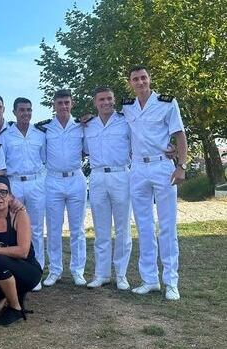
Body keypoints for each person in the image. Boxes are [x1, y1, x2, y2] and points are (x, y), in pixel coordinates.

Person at [123, 65, 187, 300]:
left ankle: (171, 282)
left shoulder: (167, 103)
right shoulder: (127, 108)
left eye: (143, 78)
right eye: (135, 79)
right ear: (130, 83)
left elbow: (179, 135)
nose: (140, 82)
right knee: (144, 226)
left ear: (149, 79)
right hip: (138, 168)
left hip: (162, 166)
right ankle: (149, 279)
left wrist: (181, 165)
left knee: (167, 226)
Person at [0, 176, 42, 326]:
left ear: (10, 195)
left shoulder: (19, 214)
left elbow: (23, 251)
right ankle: (7, 296)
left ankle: (15, 308)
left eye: (3, 192)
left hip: (26, 271)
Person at [83, 87, 132, 290]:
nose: (106, 102)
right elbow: (83, 150)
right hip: (97, 177)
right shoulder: (87, 126)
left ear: (114, 100)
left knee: (123, 228)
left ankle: (121, 274)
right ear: (95, 103)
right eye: (102, 99)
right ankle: (101, 274)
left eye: (110, 98)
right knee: (101, 228)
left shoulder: (125, 121)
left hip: (121, 174)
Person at [40, 89, 87, 287]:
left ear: (72, 103)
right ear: (54, 105)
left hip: (76, 178)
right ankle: (55, 270)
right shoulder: (45, 129)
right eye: (60, 103)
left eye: (67, 102)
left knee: (77, 229)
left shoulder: (81, 126)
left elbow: (86, 150)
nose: (63, 106)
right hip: (53, 180)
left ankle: (78, 270)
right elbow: (42, 155)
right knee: (53, 228)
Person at [0, 97, 47, 291]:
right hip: (15, 184)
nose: (25, 113)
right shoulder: (5, 136)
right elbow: (2, 164)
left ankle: (37, 272)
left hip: (35, 183)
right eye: (22, 110)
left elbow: (43, 159)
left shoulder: (40, 134)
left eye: (28, 110)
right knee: (15, 229)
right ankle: (18, 270)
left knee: (36, 228)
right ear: (14, 112)